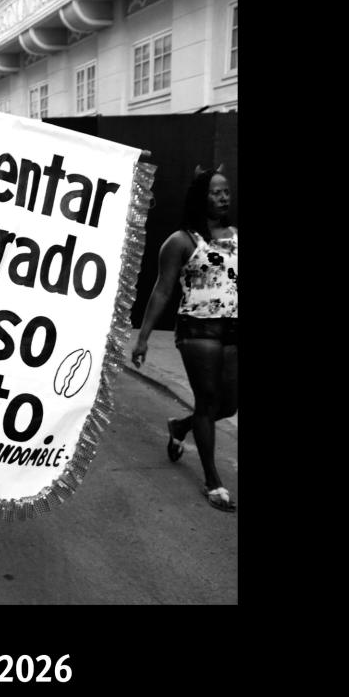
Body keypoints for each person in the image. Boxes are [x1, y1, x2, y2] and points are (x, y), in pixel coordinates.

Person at [132, 168, 238, 511]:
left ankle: (179, 426)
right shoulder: (180, 241)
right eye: (216, 192)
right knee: (207, 402)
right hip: (197, 330)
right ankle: (212, 480)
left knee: (229, 405)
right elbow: (161, 292)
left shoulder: (236, 236)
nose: (224, 197)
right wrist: (143, 339)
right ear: (200, 198)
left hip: (233, 329)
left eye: (226, 192)